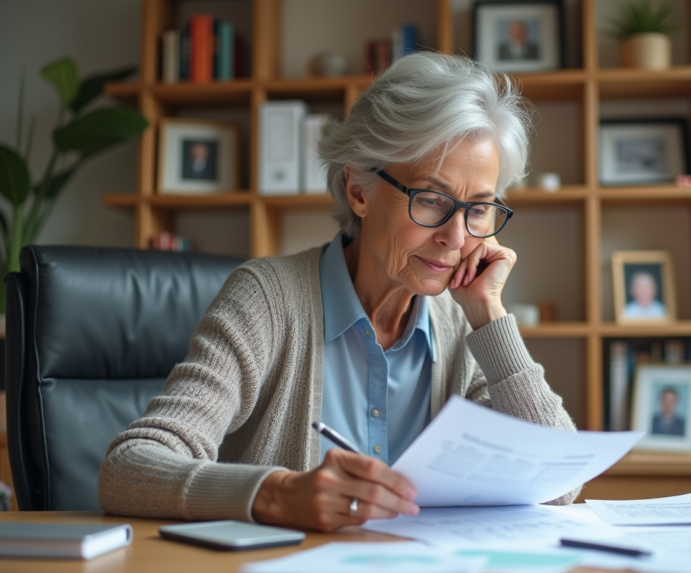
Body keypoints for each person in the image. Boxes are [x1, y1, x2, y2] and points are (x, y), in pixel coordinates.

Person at [98, 52, 579, 532]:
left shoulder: (458, 324)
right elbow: (128, 469)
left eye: (478, 210)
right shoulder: (267, 301)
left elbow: (559, 484)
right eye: (431, 200)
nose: (456, 238)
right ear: (359, 191)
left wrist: (489, 316)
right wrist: (276, 494)